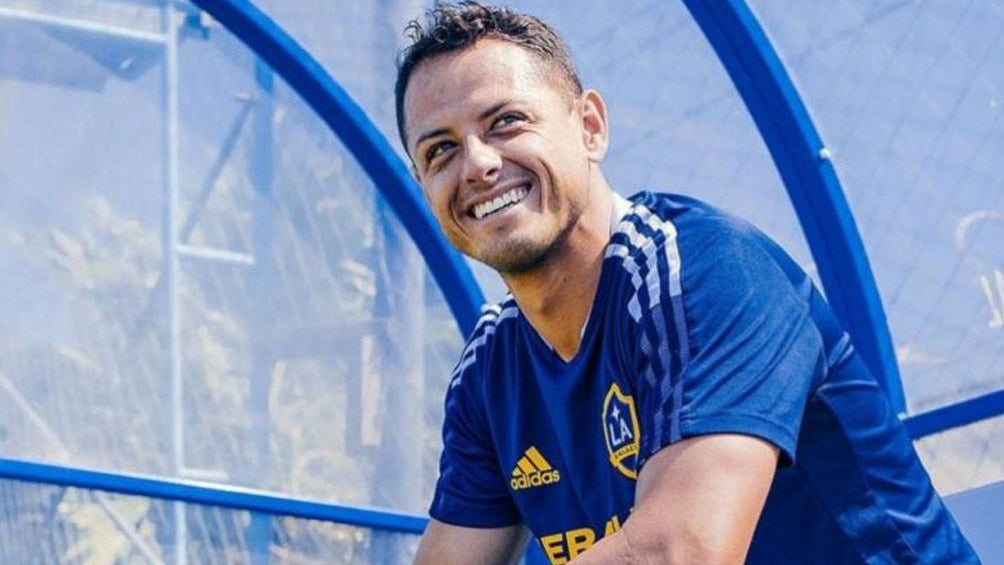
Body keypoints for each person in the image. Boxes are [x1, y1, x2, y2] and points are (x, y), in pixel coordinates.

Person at [393, 3, 979, 563]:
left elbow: (679, 553)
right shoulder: (489, 369)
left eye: (506, 122)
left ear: (590, 127)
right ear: (422, 185)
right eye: (441, 150)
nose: (478, 165)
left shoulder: (704, 271)